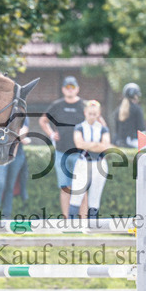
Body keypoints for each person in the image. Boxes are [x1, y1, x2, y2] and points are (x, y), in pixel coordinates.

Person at [39, 76, 87, 217]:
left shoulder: (84, 105)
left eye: (73, 87)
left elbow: (98, 121)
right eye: (67, 87)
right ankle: (66, 219)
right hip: (61, 152)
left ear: (77, 89)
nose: (70, 90)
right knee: (65, 187)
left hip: (80, 153)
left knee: (82, 188)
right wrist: (51, 133)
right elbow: (43, 120)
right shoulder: (57, 105)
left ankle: (83, 220)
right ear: (63, 89)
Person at [67, 100, 112, 219]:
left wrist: (88, 145)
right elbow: (79, 144)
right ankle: (71, 226)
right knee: (77, 194)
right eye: (90, 113)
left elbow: (105, 146)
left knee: (95, 197)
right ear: (85, 112)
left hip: (99, 164)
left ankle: (92, 225)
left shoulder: (103, 129)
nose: (92, 116)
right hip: (83, 163)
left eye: (95, 114)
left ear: (98, 114)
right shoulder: (80, 127)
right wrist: (96, 145)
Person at [0, 124, 29, 218]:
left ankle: (6, 216)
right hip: (0, 153)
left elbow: (24, 129)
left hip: (17, 155)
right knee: (0, 183)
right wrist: (17, 136)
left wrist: (18, 136)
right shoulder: (2, 112)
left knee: (10, 186)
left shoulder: (21, 112)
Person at [111, 83, 145, 148]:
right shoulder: (137, 109)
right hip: (132, 141)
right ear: (134, 96)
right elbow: (141, 128)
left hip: (117, 141)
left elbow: (116, 129)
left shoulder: (118, 110)